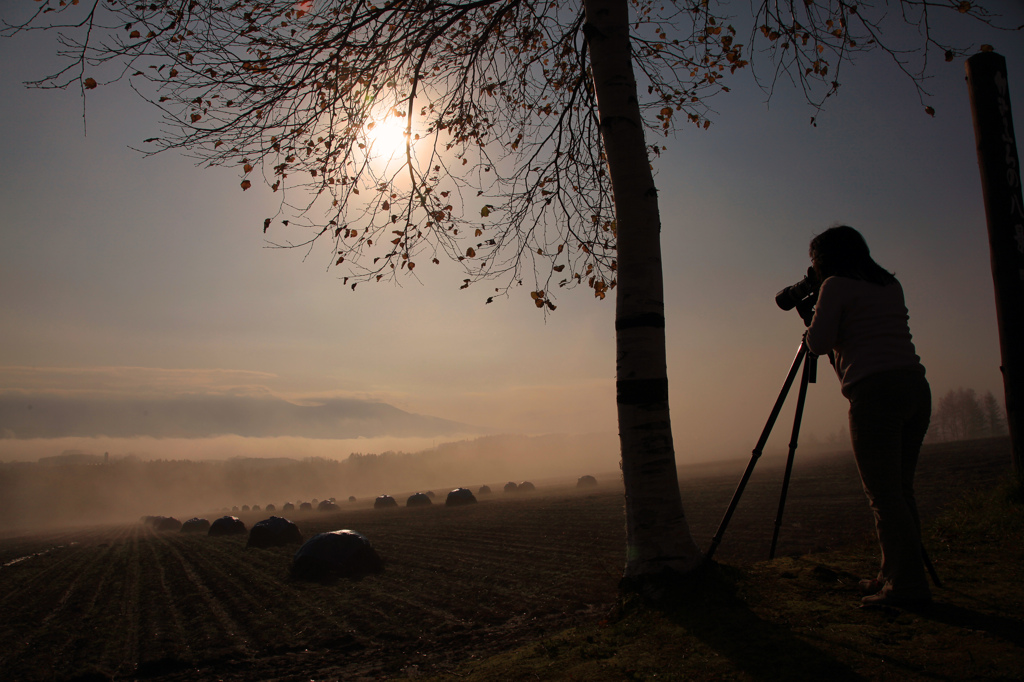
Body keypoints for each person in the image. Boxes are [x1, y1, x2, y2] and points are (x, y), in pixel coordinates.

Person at [803, 225, 933, 607]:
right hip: (914, 386)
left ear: (826, 260)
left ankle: (906, 588)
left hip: (874, 394)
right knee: (900, 491)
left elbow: (818, 343)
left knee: (884, 496)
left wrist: (815, 314)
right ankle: (895, 574)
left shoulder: (836, 287)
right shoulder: (889, 285)